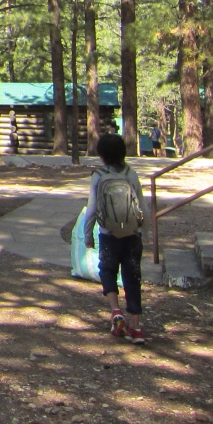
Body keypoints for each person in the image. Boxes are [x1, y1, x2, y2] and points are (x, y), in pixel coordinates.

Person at [84, 133, 146, 344]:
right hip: (132, 235)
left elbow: (92, 207)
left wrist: (87, 234)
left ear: (101, 155)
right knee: (133, 276)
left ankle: (116, 311)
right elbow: (142, 204)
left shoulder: (98, 176)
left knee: (107, 270)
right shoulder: (131, 174)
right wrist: (145, 230)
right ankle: (136, 328)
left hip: (108, 234)